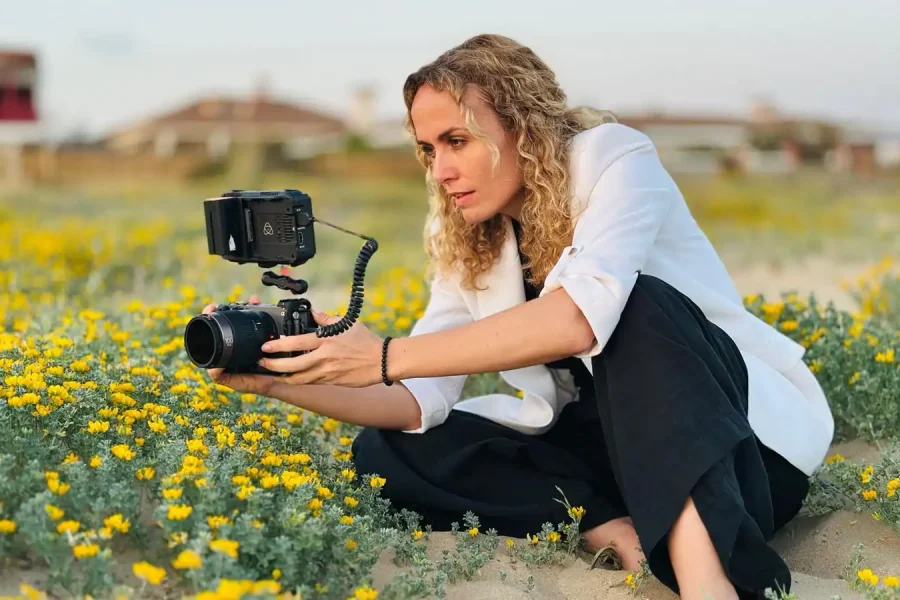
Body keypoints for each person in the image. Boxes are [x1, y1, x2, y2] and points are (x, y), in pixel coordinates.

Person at [202, 34, 835, 600]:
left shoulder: (612, 158)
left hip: (739, 448)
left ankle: (706, 583)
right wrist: (284, 376)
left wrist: (383, 355)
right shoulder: (469, 234)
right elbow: (418, 397)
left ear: (523, 127)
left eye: (457, 141)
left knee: (636, 306)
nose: (441, 171)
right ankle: (604, 523)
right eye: (428, 150)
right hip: (616, 456)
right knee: (384, 449)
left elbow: (578, 320)